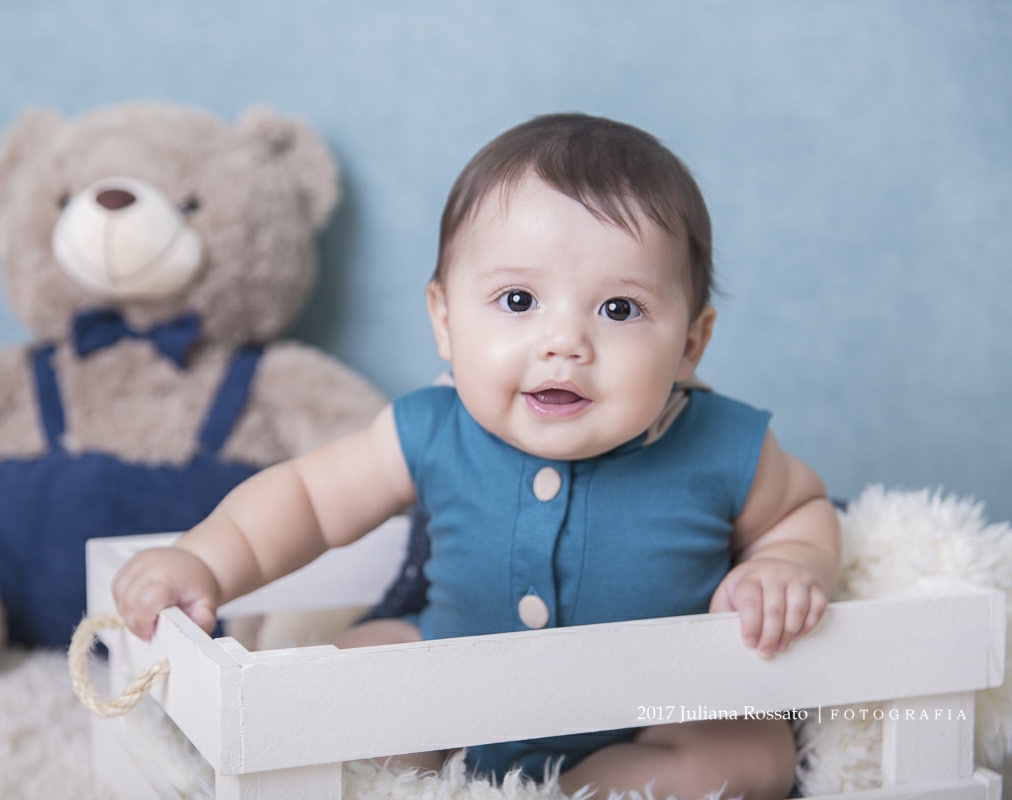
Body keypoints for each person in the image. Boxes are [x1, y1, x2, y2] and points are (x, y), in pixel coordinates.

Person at [113, 113, 842, 798]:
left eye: (619, 309)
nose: (564, 343)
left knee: (754, 755)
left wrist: (787, 566)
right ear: (444, 319)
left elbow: (802, 510)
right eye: (518, 300)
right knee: (344, 675)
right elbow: (305, 500)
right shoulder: (431, 427)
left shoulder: (723, 444)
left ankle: (584, 786)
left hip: (656, 710)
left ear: (690, 342)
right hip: (447, 696)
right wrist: (204, 561)